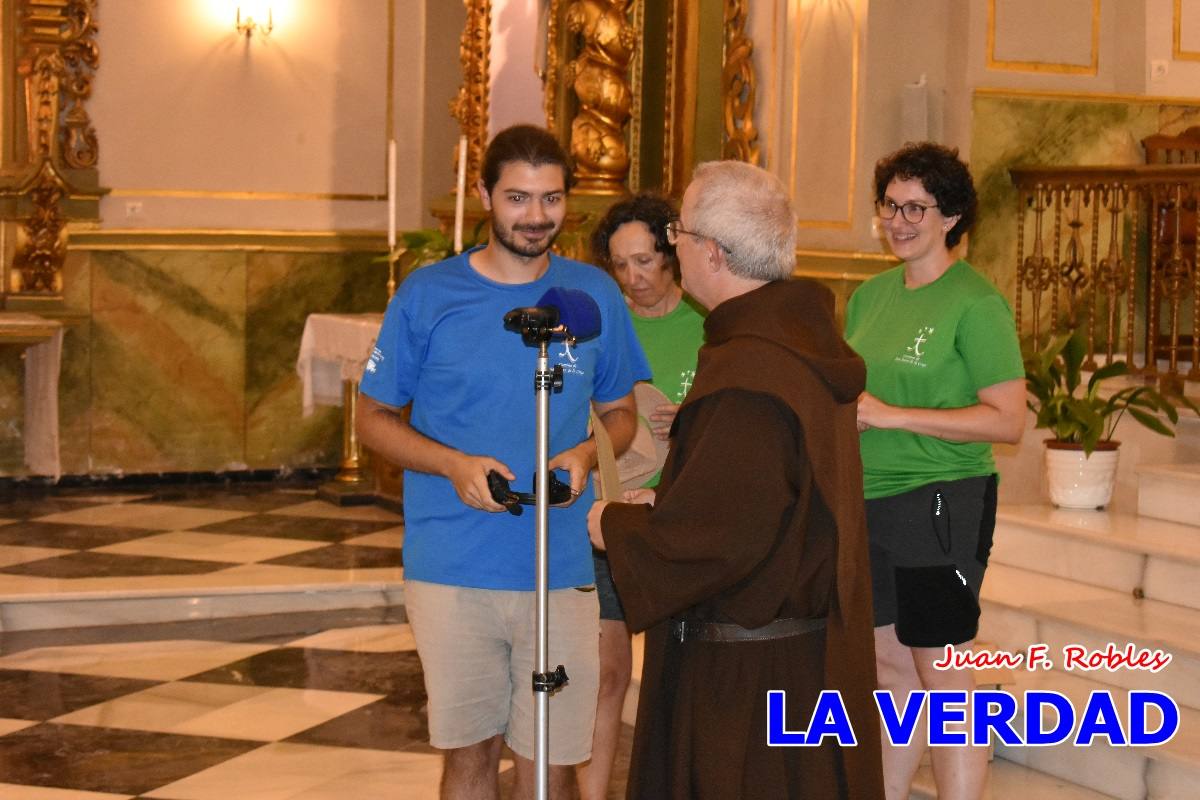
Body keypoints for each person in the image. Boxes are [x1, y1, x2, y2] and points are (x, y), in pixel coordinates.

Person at [357, 124, 650, 800]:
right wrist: (454, 465)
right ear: (485, 195)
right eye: (518, 198)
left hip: (562, 565)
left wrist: (583, 453)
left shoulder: (592, 296)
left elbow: (621, 414)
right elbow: (370, 420)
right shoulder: (430, 295)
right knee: (470, 756)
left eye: (551, 200)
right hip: (455, 564)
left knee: (551, 763)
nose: (536, 217)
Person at [587, 160, 884, 799]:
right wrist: (668, 500)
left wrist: (615, 523)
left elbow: (718, 539)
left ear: (713, 254)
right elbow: (767, 501)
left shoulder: (749, 373)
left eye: (678, 232)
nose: (673, 245)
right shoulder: (800, 347)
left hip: (746, 682)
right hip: (799, 658)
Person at [843, 142, 1025, 800]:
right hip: (872, 499)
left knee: (941, 673)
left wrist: (895, 415)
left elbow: (1008, 420)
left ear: (950, 216)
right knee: (889, 666)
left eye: (915, 207)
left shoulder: (975, 303)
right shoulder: (868, 297)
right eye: (890, 205)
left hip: (944, 501)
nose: (898, 220)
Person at [577, 193, 706, 800]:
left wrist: (695, 418)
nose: (635, 278)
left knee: (677, 679)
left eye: (646, 261)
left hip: (681, 520)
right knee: (606, 675)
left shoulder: (710, 326)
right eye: (621, 265)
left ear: (673, 255)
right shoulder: (599, 328)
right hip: (611, 517)